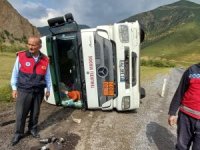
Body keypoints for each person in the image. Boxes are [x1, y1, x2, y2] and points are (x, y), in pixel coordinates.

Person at [10, 36, 51, 146]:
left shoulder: (45, 59)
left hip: (38, 90)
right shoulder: (21, 56)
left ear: (40, 46)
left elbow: (48, 76)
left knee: (35, 112)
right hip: (24, 90)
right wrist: (14, 88)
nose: (30, 47)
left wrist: (48, 89)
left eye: (33, 45)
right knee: (21, 113)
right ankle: (18, 133)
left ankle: (32, 129)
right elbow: (15, 74)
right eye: (29, 44)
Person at [168, 63, 200, 150]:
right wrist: (172, 112)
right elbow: (180, 92)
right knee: (181, 146)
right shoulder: (192, 70)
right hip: (186, 117)